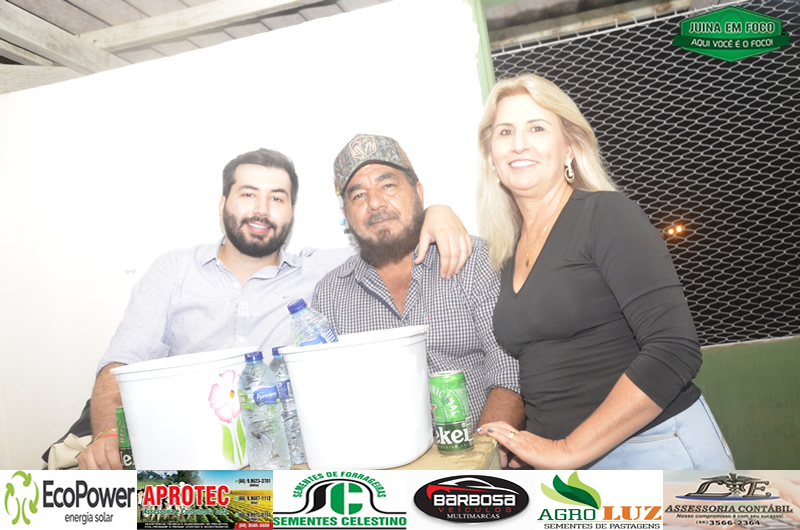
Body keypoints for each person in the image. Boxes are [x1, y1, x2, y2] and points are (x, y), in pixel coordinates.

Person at [77, 147, 473, 470]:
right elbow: (121, 364)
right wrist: (107, 435)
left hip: (275, 462)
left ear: (292, 212)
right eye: (248, 194)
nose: (262, 210)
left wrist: (436, 212)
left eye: (277, 198)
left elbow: (386, 234)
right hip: (181, 456)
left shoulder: (321, 271)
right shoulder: (174, 271)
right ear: (223, 203)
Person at [474, 74, 735, 470]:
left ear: (570, 148)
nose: (519, 143)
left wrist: (566, 450)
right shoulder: (508, 252)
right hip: (572, 472)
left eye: (537, 128)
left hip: (653, 449)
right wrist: (537, 449)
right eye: (505, 131)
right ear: (491, 156)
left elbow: (674, 349)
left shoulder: (606, 215)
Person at [312, 134, 525, 427]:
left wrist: (483, 449)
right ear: (346, 214)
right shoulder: (329, 295)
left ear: (418, 193)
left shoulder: (474, 260)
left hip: (480, 444)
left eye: (388, 185)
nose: (375, 202)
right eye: (358, 195)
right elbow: (328, 398)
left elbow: (510, 371)